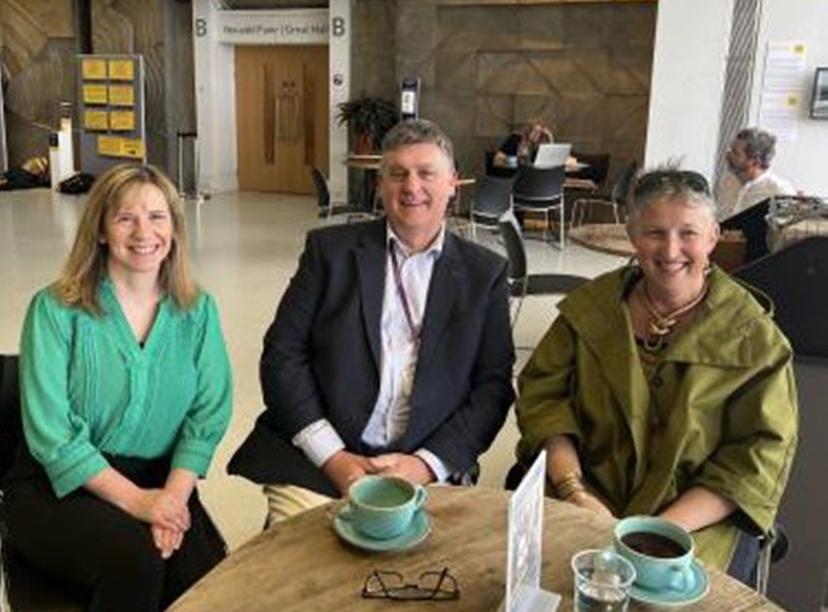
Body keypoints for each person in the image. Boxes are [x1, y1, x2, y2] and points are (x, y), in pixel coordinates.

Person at [514, 166, 798, 581]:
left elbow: (756, 456)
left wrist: (656, 531)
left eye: (688, 233)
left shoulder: (755, 339)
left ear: (713, 237)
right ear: (632, 235)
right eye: (654, 233)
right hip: (582, 498)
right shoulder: (588, 311)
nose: (670, 250)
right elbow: (544, 402)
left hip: (694, 523)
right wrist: (575, 493)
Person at [228, 119, 515, 524]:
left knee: (426, 579)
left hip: (425, 464)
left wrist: (425, 465)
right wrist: (334, 458)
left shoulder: (484, 274)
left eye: (426, 173)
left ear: (453, 183)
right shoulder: (329, 253)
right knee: (301, 570)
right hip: (319, 458)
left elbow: (493, 388)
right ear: (380, 186)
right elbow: (282, 356)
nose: (411, 187)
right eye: (397, 174)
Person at [3, 163, 233, 612]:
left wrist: (170, 498)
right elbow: (52, 434)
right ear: (102, 230)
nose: (144, 231)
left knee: (207, 582)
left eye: (157, 216)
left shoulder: (197, 310)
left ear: (174, 228)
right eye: (126, 217)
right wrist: (138, 503)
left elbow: (208, 413)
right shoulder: (54, 310)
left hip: (160, 478)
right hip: (55, 487)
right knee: (136, 560)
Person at [717, 127, 795, 219]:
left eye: (735, 153)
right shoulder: (728, 181)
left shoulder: (779, 192)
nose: (728, 155)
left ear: (756, 162)